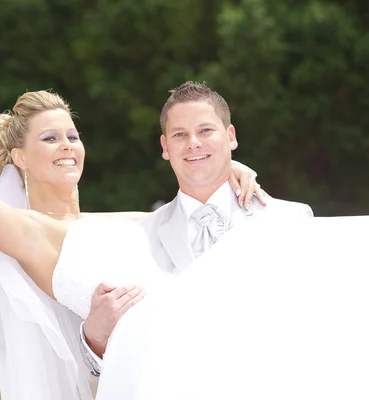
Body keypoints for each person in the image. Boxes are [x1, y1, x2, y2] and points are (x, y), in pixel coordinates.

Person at [0, 92, 369, 399]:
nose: (69, 145)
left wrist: (233, 167)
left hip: (203, 363)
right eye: (50, 137)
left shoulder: (115, 221)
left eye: (73, 133)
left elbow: (187, 206)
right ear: (18, 157)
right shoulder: (29, 235)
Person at [80, 82, 314, 375]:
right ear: (165, 147)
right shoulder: (137, 239)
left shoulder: (290, 221)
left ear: (230, 137)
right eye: (180, 134)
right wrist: (95, 337)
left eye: (205, 131)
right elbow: (116, 362)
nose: (193, 143)